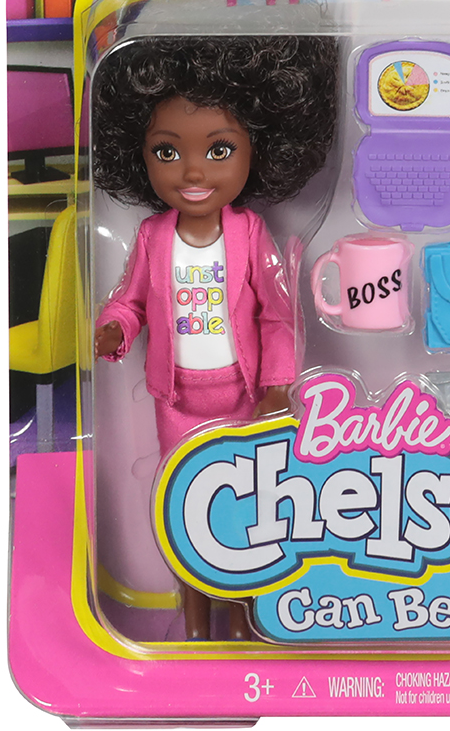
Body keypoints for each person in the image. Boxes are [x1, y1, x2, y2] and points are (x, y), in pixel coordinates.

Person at [92, 34, 338, 640]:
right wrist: (115, 328)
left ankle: (251, 618)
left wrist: (277, 385)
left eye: (220, 149)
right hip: (177, 400)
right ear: (140, 155)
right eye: (167, 152)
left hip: (245, 398)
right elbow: (129, 301)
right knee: (185, 514)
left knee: (249, 513)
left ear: (260, 148)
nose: (194, 171)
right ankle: (197, 624)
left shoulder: (249, 234)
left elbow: (277, 316)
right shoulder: (152, 237)